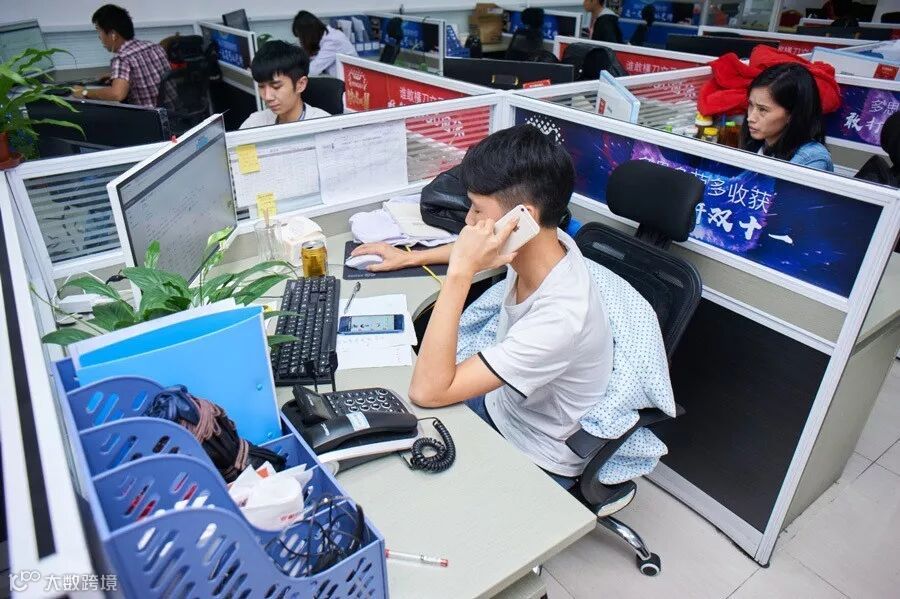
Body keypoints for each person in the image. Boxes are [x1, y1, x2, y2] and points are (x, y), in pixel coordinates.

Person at [406, 124, 614, 486]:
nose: (468, 222)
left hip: (536, 450)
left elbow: (426, 392)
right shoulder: (545, 243)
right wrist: (409, 257)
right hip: (503, 405)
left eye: (476, 210)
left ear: (521, 220)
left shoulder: (561, 318)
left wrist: (460, 275)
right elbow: (481, 245)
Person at [71, 4, 169, 107]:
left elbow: (117, 94)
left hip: (150, 115)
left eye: (99, 31)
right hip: (172, 112)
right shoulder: (153, 46)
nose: (99, 37)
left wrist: (84, 92)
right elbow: (147, 74)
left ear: (113, 34)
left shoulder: (122, 58)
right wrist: (120, 77)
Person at [742, 63, 834, 171]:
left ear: (792, 114)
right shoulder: (758, 143)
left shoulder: (813, 159)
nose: (750, 118)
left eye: (763, 109)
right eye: (751, 105)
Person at [240, 41, 330, 129]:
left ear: (301, 84)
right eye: (261, 86)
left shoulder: (324, 126)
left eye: (276, 87)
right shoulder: (254, 124)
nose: (267, 97)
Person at [292, 10, 358, 77]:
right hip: (337, 77)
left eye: (301, 38)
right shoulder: (321, 37)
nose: (300, 41)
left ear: (308, 36)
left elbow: (313, 70)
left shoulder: (333, 40)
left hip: (350, 79)